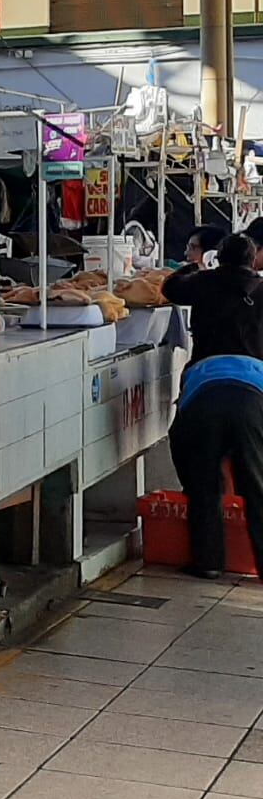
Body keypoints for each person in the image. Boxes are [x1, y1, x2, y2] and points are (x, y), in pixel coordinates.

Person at [164, 233, 263, 578]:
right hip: (254, 393)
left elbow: (170, 288)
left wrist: (192, 265)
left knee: (202, 478)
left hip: (205, 388)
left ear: (218, 258)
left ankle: (208, 562)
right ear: (254, 261)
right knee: (257, 486)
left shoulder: (204, 282)